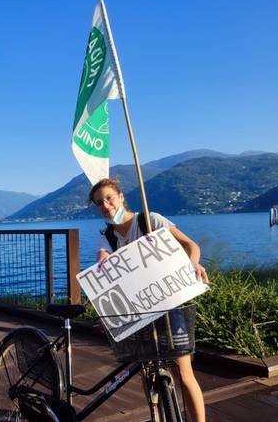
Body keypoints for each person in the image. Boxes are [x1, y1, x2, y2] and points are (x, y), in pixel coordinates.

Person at [89, 178, 209, 422]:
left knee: (184, 374)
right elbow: (102, 263)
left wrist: (193, 263)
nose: (106, 205)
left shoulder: (149, 220)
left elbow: (190, 245)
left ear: (121, 197)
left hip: (170, 305)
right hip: (139, 312)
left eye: (109, 198)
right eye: (99, 203)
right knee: (147, 373)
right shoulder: (108, 238)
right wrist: (102, 268)